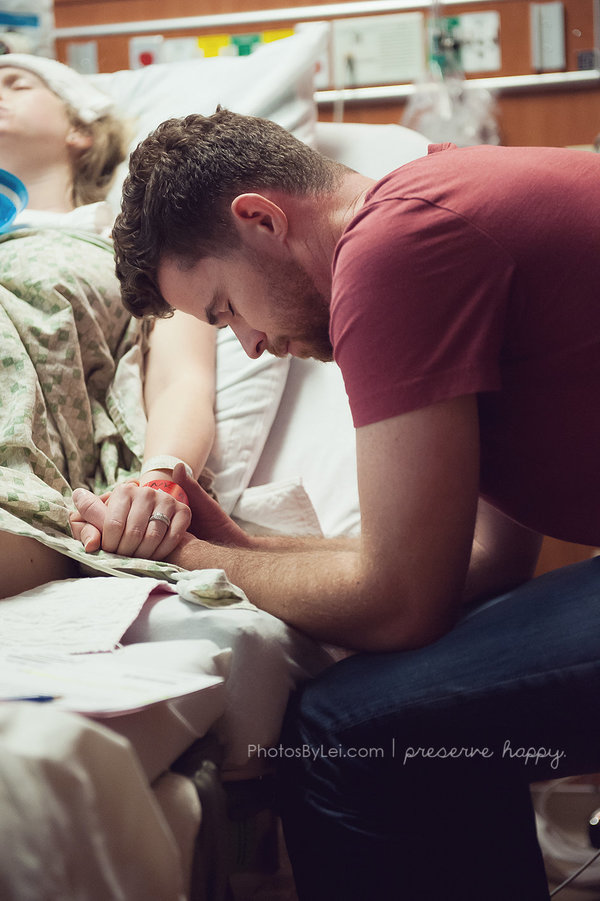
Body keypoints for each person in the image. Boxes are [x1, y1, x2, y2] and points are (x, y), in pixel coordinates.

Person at [71, 108, 600, 899]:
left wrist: (185, 554)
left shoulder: (394, 253)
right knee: (414, 698)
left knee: (337, 736)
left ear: (260, 219)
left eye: (224, 310)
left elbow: (400, 604)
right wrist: (235, 542)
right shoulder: (434, 202)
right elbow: (485, 563)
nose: (246, 343)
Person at [0, 55, 216, 593]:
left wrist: (161, 482)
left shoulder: (136, 248)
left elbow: (182, 379)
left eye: (14, 83)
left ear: (79, 129)